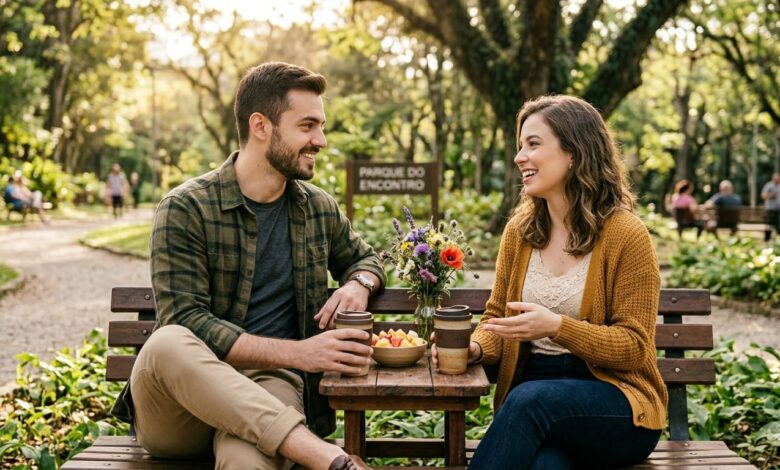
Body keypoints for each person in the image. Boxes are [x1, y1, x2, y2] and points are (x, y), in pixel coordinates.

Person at [110, 62, 385, 470]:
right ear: (261, 126)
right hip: (180, 405)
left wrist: (359, 282)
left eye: (321, 126)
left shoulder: (318, 208)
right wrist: (301, 354)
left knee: (247, 463)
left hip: (270, 388)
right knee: (167, 341)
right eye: (307, 126)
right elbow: (185, 318)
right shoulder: (186, 208)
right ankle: (329, 459)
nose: (321, 140)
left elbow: (367, 259)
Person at [436, 95, 666, 469]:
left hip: (617, 403)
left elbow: (635, 347)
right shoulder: (521, 232)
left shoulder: (627, 234)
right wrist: (475, 348)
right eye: (520, 146)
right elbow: (498, 316)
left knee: (531, 400)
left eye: (533, 144)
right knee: (547, 465)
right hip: (536, 401)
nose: (519, 157)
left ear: (574, 152)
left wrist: (557, 327)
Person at [760, 172, 780, 241]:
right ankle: (767, 238)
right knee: (769, 224)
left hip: (778, 209)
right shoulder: (768, 185)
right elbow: (763, 196)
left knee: (777, 223)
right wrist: (771, 195)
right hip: (770, 209)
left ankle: (777, 236)